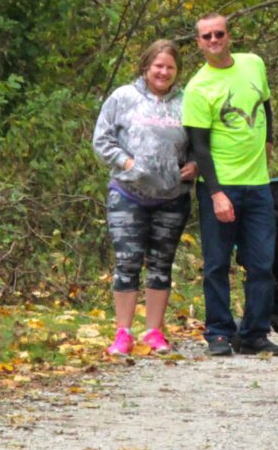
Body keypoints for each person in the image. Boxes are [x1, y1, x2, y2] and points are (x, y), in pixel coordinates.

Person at [182, 13, 278, 357]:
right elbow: (199, 146)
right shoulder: (198, 87)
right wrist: (216, 193)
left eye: (219, 33)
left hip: (258, 185)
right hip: (221, 184)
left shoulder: (253, 64)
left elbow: (266, 104)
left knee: (261, 264)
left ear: (229, 35)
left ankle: (254, 333)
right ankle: (219, 333)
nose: (214, 40)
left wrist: (269, 138)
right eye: (206, 36)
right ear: (198, 43)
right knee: (216, 264)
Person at [92, 39, 198, 356]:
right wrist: (127, 163)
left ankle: (154, 331)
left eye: (170, 67)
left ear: (177, 71)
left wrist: (195, 165)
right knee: (127, 262)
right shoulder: (123, 97)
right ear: (146, 67)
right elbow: (102, 139)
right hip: (128, 194)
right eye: (158, 66)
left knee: (161, 265)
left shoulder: (188, 102)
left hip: (172, 196)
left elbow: (201, 142)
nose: (163, 72)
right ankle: (122, 333)